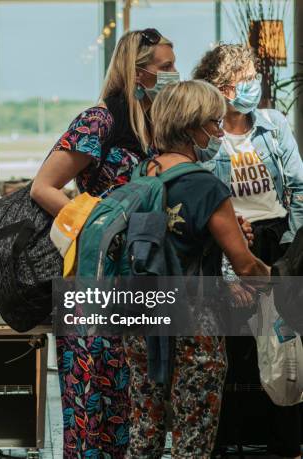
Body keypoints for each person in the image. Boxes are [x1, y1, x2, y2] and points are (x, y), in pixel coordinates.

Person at [31, 28, 178, 457]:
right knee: (92, 408)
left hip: (141, 280)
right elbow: (44, 186)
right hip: (93, 278)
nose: (173, 74)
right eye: (165, 67)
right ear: (138, 71)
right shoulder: (100, 121)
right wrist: (100, 222)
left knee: (138, 408)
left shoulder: (157, 125)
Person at [123, 80, 270, 458]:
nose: (220, 133)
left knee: (145, 428)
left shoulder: (143, 174)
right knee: (193, 435)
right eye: (214, 124)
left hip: (141, 318)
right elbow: (246, 265)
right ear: (192, 128)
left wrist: (222, 229)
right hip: (194, 322)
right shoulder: (205, 185)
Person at [194, 44, 303, 459]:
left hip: (279, 242)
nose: (254, 82)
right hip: (233, 242)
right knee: (235, 348)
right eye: (247, 75)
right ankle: (229, 441)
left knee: (285, 341)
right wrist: (227, 267)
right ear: (223, 87)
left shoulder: (273, 125)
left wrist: (290, 251)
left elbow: (297, 189)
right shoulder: (207, 136)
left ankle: (286, 443)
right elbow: (208, 207)